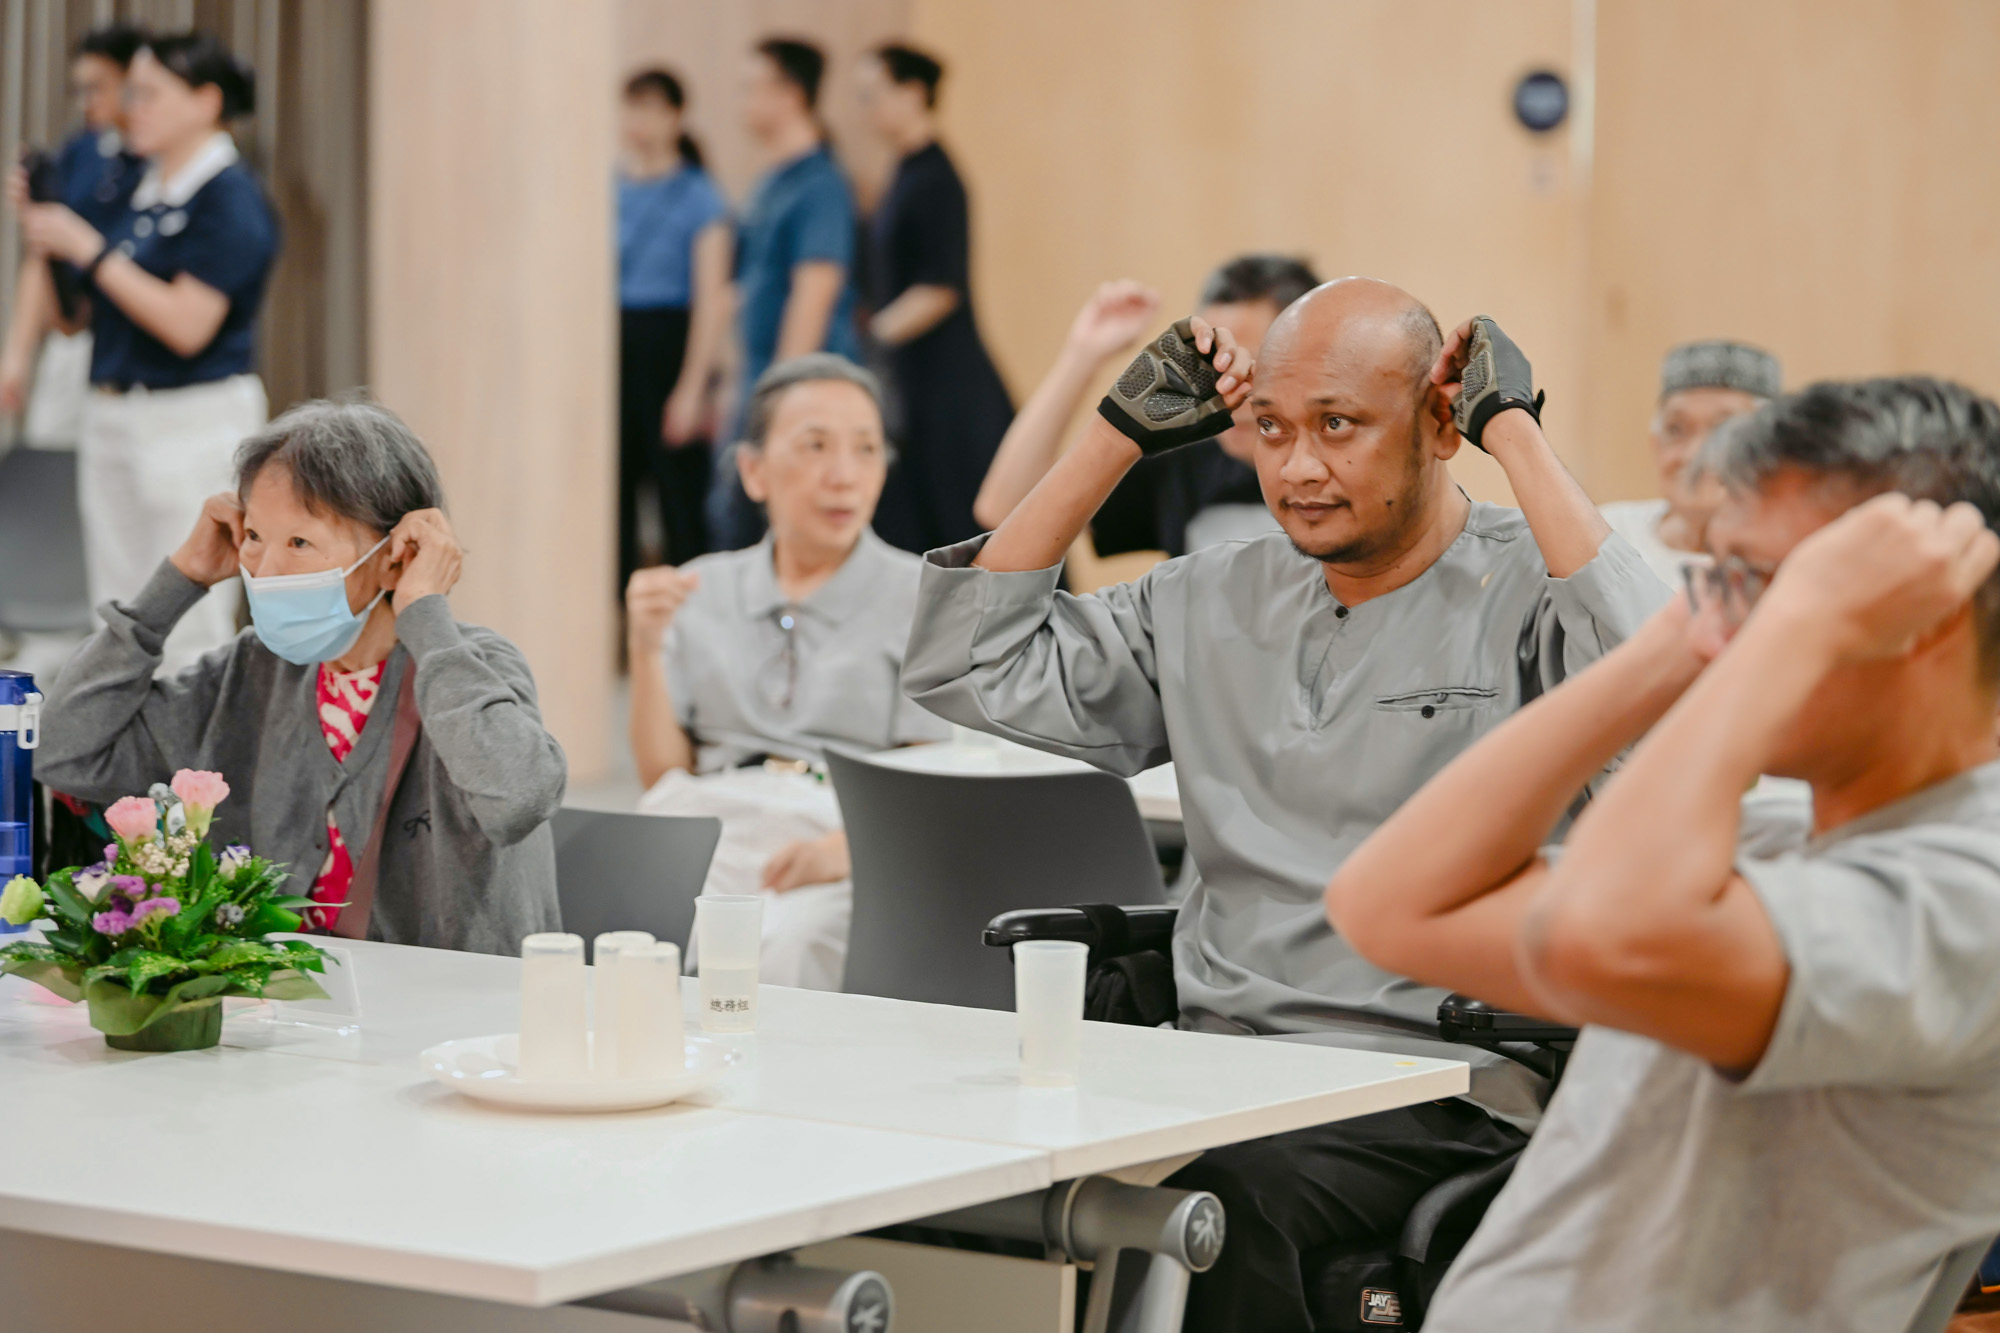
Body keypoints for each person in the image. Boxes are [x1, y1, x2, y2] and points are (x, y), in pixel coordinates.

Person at [902, 280, 1668, 1331]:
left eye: (1338, 427)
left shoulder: (1533, 592)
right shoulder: (1210, 596)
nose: (1298, 468)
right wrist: (1113, 438)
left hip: (1437, 1082)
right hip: (1209, 1065)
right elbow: (964, 663)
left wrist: (1516, 435)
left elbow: (1665, 701)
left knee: (1215, 1205)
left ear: (1439, 427)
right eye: (1270, 429)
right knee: (949, 1181)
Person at [1326, 378, 2000, 1333]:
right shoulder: (1774, 841)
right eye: (1717, 578)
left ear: (1924, 616)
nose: (1729, 627)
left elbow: (1605, 927)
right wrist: (1682, 637)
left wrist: (1790, 626)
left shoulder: (1967, 894)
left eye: (1765, 589)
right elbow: (1388, 901)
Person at [32, 400, 565, 955]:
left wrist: (425, 614)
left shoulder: (468, 666)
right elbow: (65, 753)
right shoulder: (251, 669)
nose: (264, 571)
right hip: (285, 1018)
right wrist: (176, 583)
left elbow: (518, 799)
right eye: (255, 536)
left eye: (300, 543)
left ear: (392, 557)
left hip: (450, 1023)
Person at [627, 355, 947, 989]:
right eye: (816, 446)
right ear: (752, 470)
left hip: (844, 829)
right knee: (628, 933)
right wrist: (644, 647)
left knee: (787, 945)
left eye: (866, 449)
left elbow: (931, 775)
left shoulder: (924, 596)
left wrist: (844, 852)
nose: (844, 475)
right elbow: (665, 775)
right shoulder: (701, 587)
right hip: (714, 819)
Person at [14, 31, 279, 672]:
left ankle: (195, 772)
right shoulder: (136, 188)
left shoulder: (230, 198)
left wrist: (90, 251)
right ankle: (124, 768)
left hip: (190, 417)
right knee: (119, 607)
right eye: (131, 93)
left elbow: (188, 325)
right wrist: (52, 241)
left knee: (190, 612)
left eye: (151, 93)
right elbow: (77, 320)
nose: (134, 107)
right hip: (113, 411)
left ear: (206, 101)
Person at [972, 255, 1322, 558]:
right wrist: (1083, 356)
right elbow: (1004, 509)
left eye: (1255, 363)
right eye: (1215, 362)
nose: (1230, 386)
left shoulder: (1346, 468)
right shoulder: (1189, 458)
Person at [855, 43, 1013, 554]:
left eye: (875, 94)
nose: (867, 107)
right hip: (918, 382)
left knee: (965, 520)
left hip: (949, 389)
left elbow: (940, 289)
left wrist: (868, 339)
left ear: (914, 93)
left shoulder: (938, 179)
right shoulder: (903, 172)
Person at [709, 37, 863, 550]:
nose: (743, 102)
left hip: (791, 393)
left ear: (790, 94)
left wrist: (781, 404)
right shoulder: (770, 182)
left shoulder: (819, 185)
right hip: (757, 384)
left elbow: (813, 296)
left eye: (752, 88)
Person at [0, 21, 148, 442]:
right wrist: (16, 353)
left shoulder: (162, 166)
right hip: (75, 339)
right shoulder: (82, 150)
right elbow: (43, 255)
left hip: (137, 355)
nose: (86, 102)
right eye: (79, 89)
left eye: (97, 87)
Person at [617, 67, 731, 585]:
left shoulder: (699, 195)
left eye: (650, 108)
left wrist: (691, 388)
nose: (638, 120)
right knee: (615, 492)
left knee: (678, 496)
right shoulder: (609, 187)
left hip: (669, 345)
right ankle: (618, 617)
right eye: (631, 106)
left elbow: (712, 300)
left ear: (675, 116)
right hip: (616, 344)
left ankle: (692, 612)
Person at [1601, 338, 1782, 584]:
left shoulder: (1787, 562)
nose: (1695, 454)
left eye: (1725, 431)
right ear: (1655, 443)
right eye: (1677, 429)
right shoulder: (1604, 535)